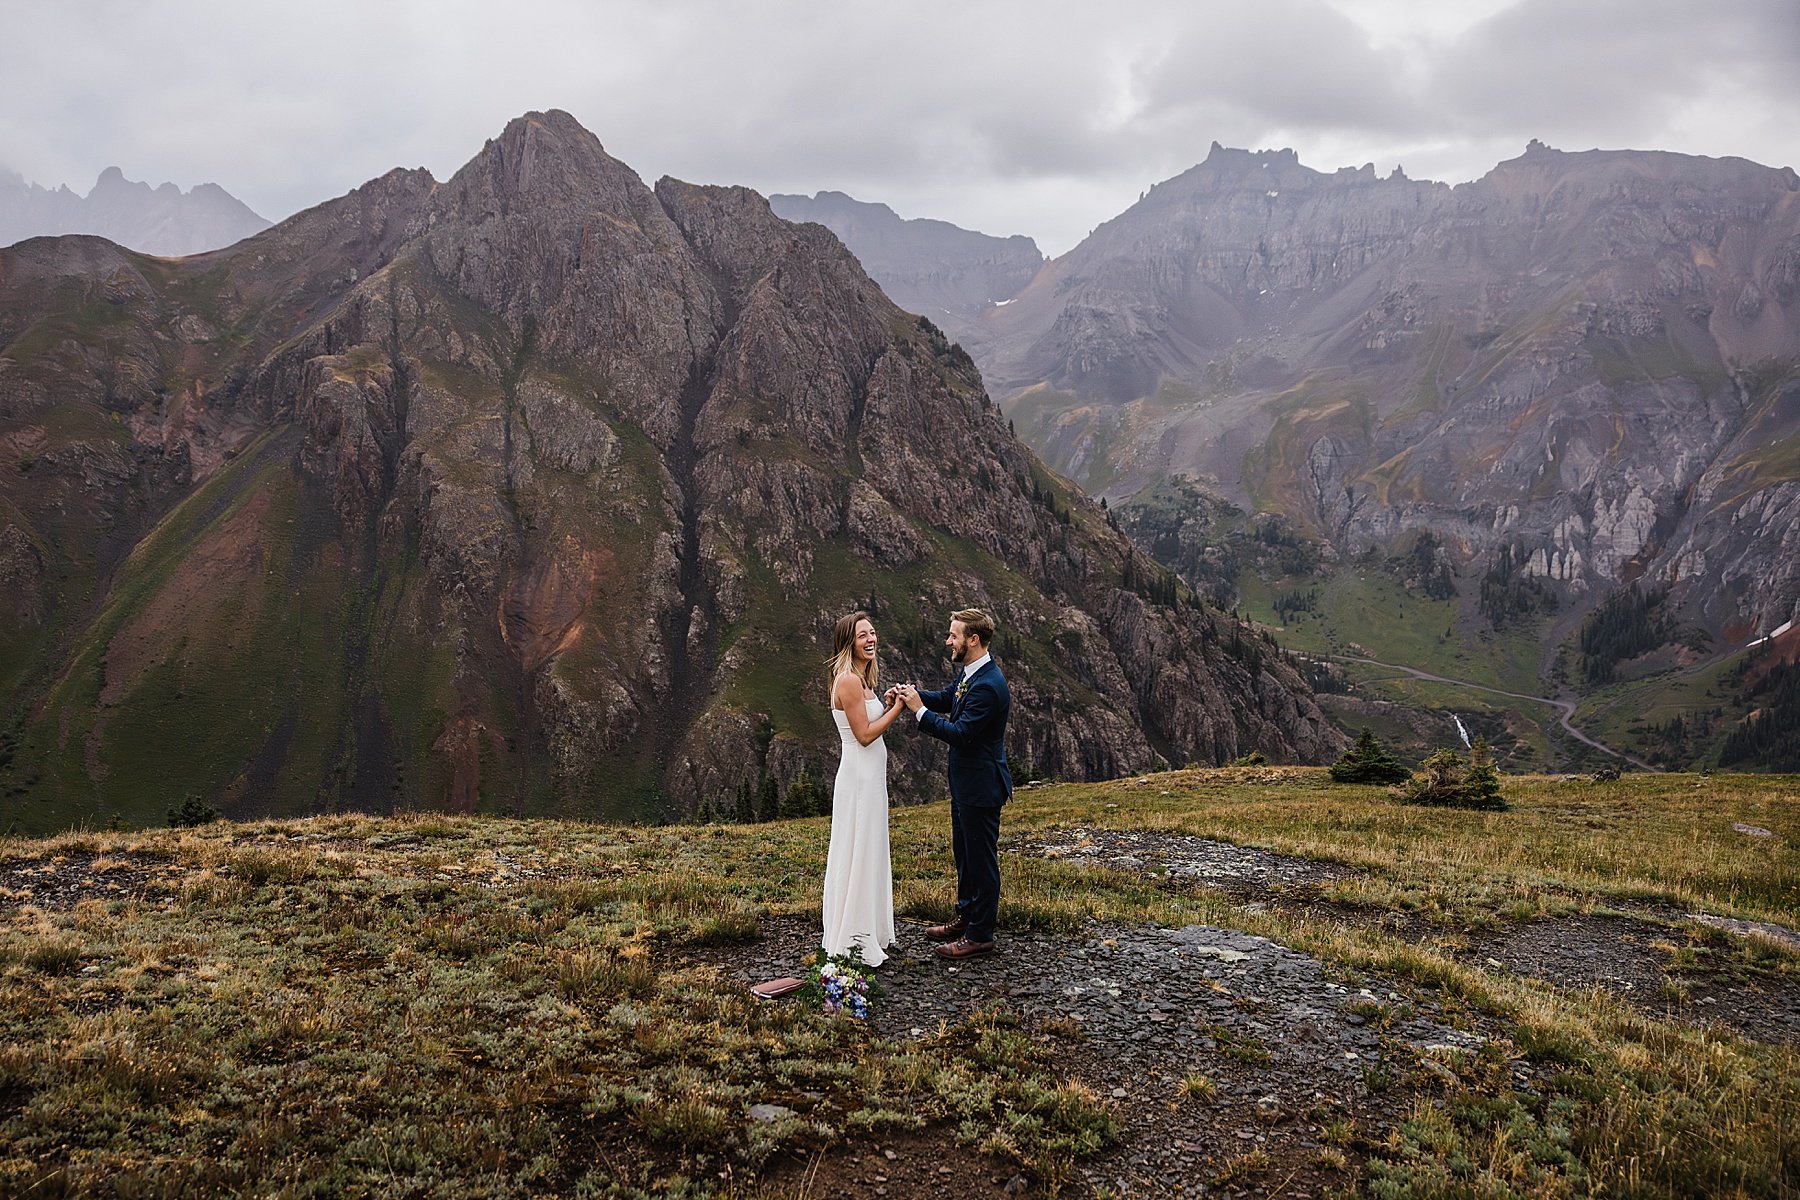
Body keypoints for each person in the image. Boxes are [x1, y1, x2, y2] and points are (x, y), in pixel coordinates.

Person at [893, 608, 1012, 959]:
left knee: (981, 861)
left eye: (953, 635)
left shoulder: (989, 686)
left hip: (981, 787)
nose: (948, 641)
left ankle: (980, 935)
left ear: (972, 640)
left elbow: (961, 734)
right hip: (966, 786)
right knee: (965, 855)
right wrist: (911, 695)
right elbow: (948, 698)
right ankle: (966, 915)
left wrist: (918, 712)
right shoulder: (971, 674)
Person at [821, 611, 905, 967]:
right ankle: (854, 934)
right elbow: (865, 735)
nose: (870, 640)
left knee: (868, 847)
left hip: (869, 777)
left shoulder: (862, 681)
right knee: (858, 847)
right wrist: (900, 708)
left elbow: (868, 721)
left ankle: (867, 927)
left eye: (872, 633)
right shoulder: (849, 682)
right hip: (859, 777)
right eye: (862, 636)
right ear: (848, 642)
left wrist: (884, 705)